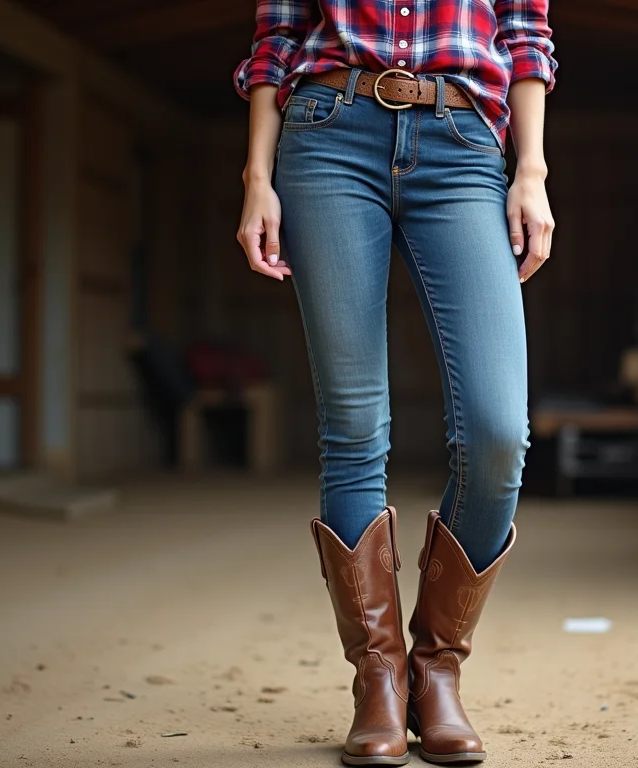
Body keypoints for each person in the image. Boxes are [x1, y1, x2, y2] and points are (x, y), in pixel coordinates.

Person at [234, 2, 556, 764]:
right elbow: (275, 35)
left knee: (498, 431)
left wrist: (532, 171)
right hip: (327, 132)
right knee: (352, 424)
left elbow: (525, 32)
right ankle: (378, 677)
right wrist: (256, 176)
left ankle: (437, 667)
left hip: (464, 139)